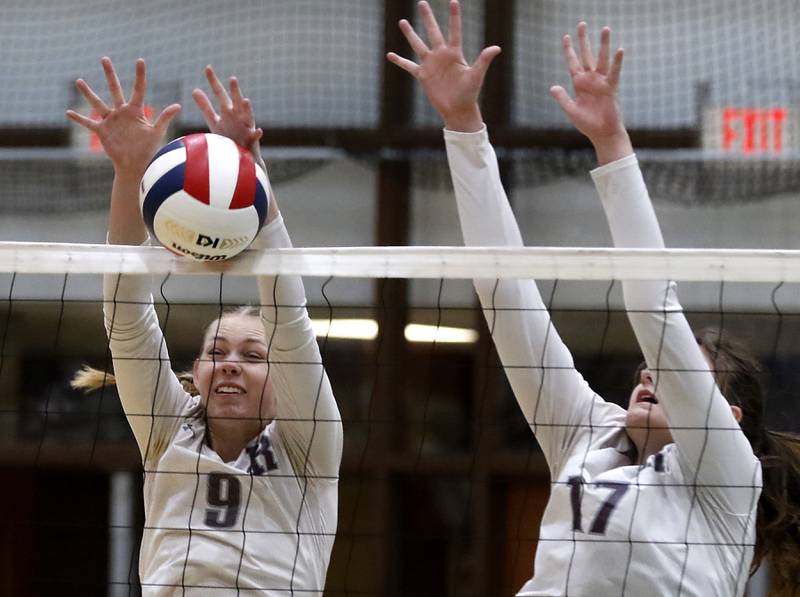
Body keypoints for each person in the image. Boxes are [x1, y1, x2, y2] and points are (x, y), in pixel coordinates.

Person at [388, 2, 800, 596]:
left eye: (684, 375)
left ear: (729, 421)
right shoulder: (587, 433)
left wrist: (612, 143)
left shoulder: (725, 475)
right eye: (650, 368)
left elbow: (654, 310)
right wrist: (464, 128)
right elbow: (504, 288)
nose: (649, 371)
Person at [67, 58, 343, 596]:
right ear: (196, 372)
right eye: (218, 351)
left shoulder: (308, 441)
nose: (232, 362)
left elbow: (288, 315)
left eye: (253, 355)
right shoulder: (169, 428)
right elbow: (126, 320)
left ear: (282, 375)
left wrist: (248, 172)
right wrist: (128, 174)